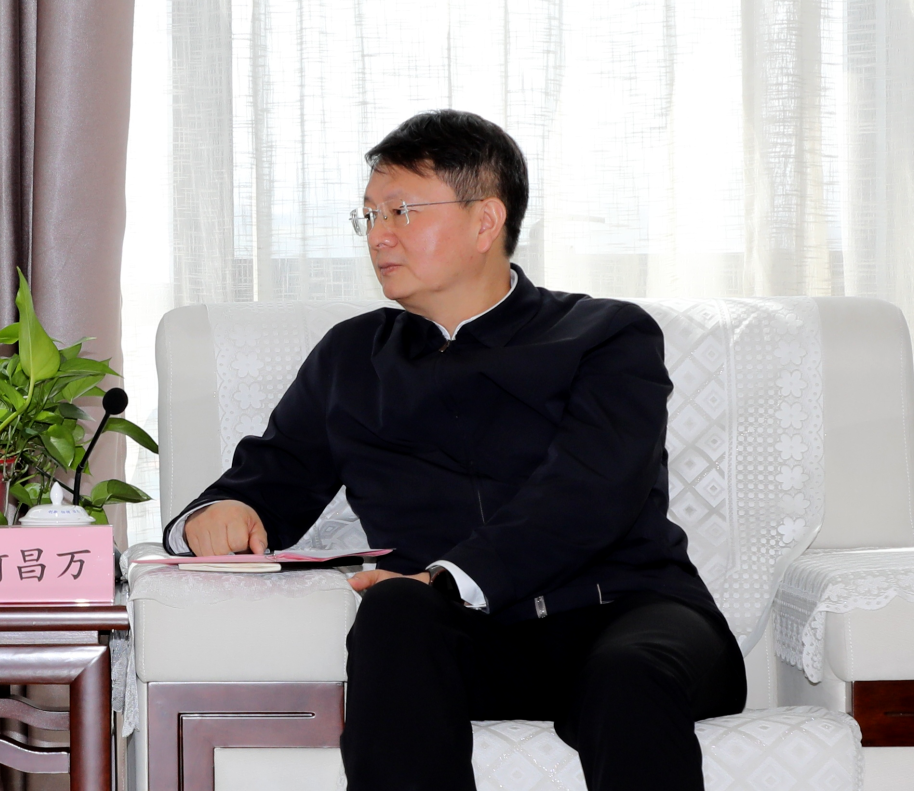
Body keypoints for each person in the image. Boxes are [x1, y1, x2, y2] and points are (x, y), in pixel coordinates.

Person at [163, 110, 745, 791]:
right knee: (393, 613)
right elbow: (273, 477)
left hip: (627, 612)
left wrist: (449, 577)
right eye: (369, 215)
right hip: (471, 642)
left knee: (627, 677)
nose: (379, 235)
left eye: (402, 211)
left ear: (485, 221)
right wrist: (218, 513)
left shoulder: (605, 335)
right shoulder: (352, 357)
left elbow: (590, 493)